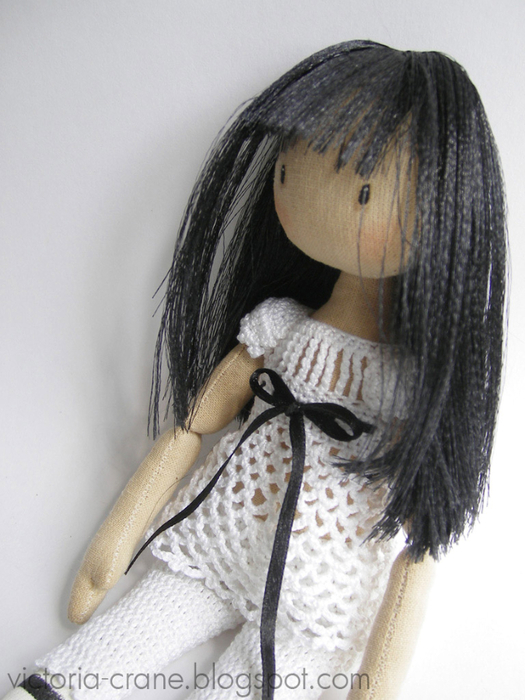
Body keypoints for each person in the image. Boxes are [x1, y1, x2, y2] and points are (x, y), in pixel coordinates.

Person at [6, 41, 507, 700]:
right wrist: (110, 553)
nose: (310, 200)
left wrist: (375, 680)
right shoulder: (280, 326)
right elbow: (191, 429)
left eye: (362, 191)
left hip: (318, 584)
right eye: (289, 172)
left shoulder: (413, 386)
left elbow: (420, 546)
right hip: (224, 530)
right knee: (127, 633)